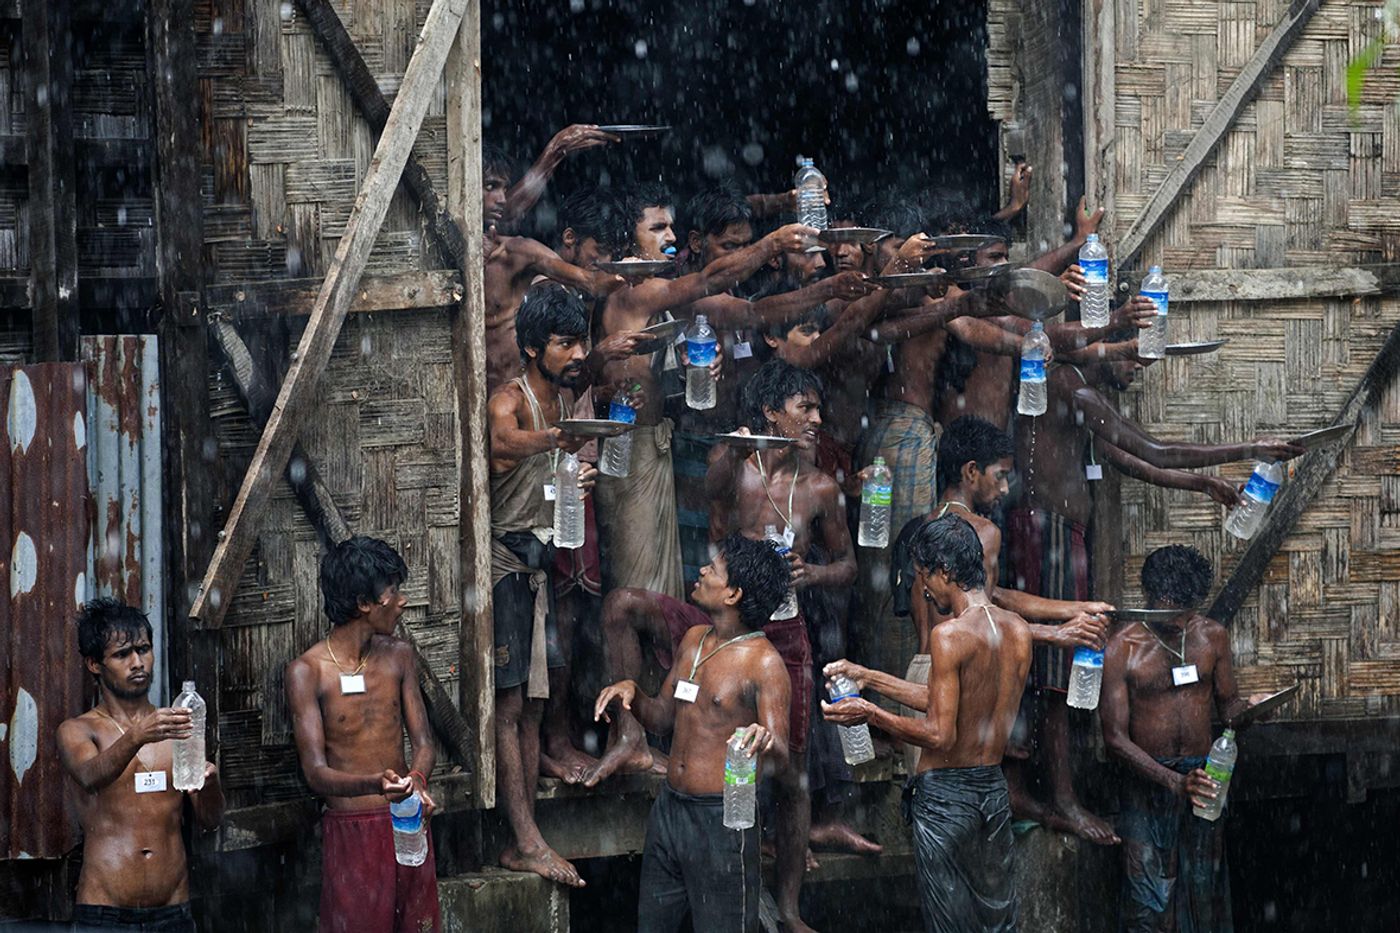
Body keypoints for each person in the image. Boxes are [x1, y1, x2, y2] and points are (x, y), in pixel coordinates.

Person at [1009, 351, 1304, 845]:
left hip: (1062, 533)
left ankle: (1056, 795)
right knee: (1054, 676)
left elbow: (1131, 459)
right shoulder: (1071, 387)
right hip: (1047, 533)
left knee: (1060, 670)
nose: (1137, 367)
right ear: (1103, 345)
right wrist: (1253, 447)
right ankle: (1060, 800)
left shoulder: (1082, 399)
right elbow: (1156, 449)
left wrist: (1201, 482)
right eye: (1132, 357)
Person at [706, 360, 873, 930]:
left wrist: (813, 576)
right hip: (732, 631)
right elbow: (710, 511)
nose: (817, 420)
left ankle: (792, 908)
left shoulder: (822, 487)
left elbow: (850, 566)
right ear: (771, 412)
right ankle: (741, 896)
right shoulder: (737, 468)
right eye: (805, 408)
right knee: (734, 757)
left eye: (817, 408)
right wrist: (733, 453)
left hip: (790, 635)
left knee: (792, 768)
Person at [596, 190, 814, 600]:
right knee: (639, 585)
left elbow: (742, 312)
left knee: (665, 583)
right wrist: (773, 242)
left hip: (656, 444)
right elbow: (710, 281)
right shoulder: (634, 289)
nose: (670, 235)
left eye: (670, 226)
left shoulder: (655, 289)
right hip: (632, 447)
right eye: (658, 227)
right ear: (629, 239)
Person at [821, 515, 1033, 933]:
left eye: (924, 577)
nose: (922, 589)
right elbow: (949, 702)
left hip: (947, 800)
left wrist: (871, 714)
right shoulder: (1017, 630)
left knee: (950, 926)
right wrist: (871, 678)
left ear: (945, 571)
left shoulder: (949, 635)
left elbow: (940, 733)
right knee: (994, 923)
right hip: (992, 792)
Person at [593, 535, 793, 933]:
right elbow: (663, 717)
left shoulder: (764, 663)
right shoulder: (693, 640)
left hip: (722, 817)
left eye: (714, 570)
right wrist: (630, 692)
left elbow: (782, 751)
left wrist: (763, 740)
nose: (702, 571)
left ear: (734, 593)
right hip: (670, 810)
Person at [484, 286, 601, 885]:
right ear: (532, 347)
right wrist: (557, 443)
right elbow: (500, 443)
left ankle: (526, 837)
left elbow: (552, 480)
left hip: (540, 571)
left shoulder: (567, 397)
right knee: (507, 708)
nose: (578, 352)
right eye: (564, 343)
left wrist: (573, 475)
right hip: (507, 571)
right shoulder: (513, 401)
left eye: (581, 340)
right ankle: (523, 838)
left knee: (532, 706)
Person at [1102, 545, 1265, 933]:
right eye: (1168, 607)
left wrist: (1254, 708)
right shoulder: (1122, 647)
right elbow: (1113, 738)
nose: (1177, 618)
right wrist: (1173, 781)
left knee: (1202, 889)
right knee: (1147, 898)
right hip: (1145, 782)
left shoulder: (1212, 637)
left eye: (1185, 608)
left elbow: (1228, 709)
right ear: (1150, 596)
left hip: (1204, 781)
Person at [285, 537, 440, 932]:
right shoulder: (308, 671)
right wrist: (373, 783)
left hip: (406, 820)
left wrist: (417, 782)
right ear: (363, 603)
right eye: (393, 591)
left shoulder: (399, 655)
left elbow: (423, 742)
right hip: (351, 831)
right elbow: (316, 773)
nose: (402, 600)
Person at [57, 600, 224, 933]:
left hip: (173, 912)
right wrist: (137, 736)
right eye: (122, 655)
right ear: (94, 664)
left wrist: (210, 785)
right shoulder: (78, 730)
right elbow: (91, 776)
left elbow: (210, 820)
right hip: (104, 914)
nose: (138, 663)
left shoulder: (176, 724)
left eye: (144, 650)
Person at [482, 144, 629, 392]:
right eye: (491, 187)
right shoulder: (439, 252)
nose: (502, 199)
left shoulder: (518, 252)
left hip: (520, 402)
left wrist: (629, 272)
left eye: (505, 188)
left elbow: (591, 281)